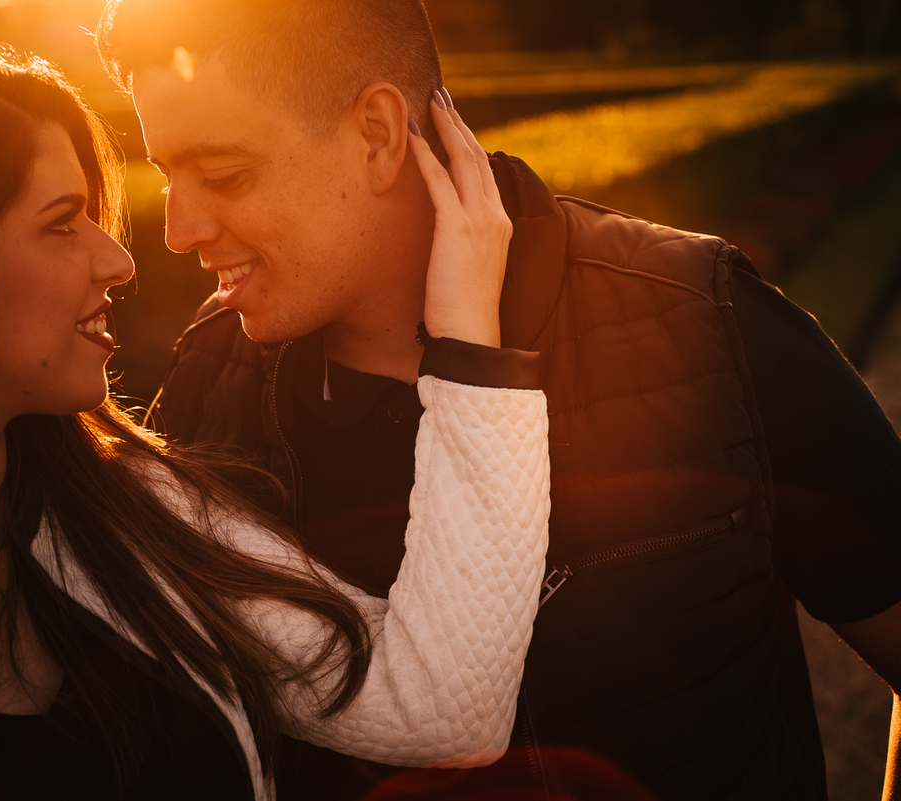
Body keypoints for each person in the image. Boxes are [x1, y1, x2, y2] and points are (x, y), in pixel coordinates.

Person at [0, 29, 552, 801]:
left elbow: (443, 707)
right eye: (62, 225)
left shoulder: (140, 520)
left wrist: (469, 349)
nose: (121, 258)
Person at [100, 0, 901, 798]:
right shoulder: (208, 381)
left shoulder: (699, 316)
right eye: (168, 175)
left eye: (225, 172)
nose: (177, 229)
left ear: (377, 134)